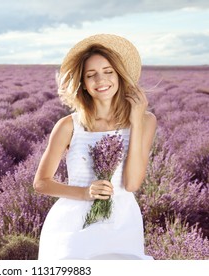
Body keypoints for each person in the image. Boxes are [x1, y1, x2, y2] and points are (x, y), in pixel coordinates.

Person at [33, 34, 157, 260]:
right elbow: (41, 183)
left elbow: (131, 184)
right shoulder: (68, 126)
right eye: (91, 75)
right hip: (74, 224)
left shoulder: (146, 121)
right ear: (83, 84)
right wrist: (84, 192)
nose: (101, 80)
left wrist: (136, 120)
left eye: (108, 72)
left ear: (120, 76)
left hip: (122, 224)